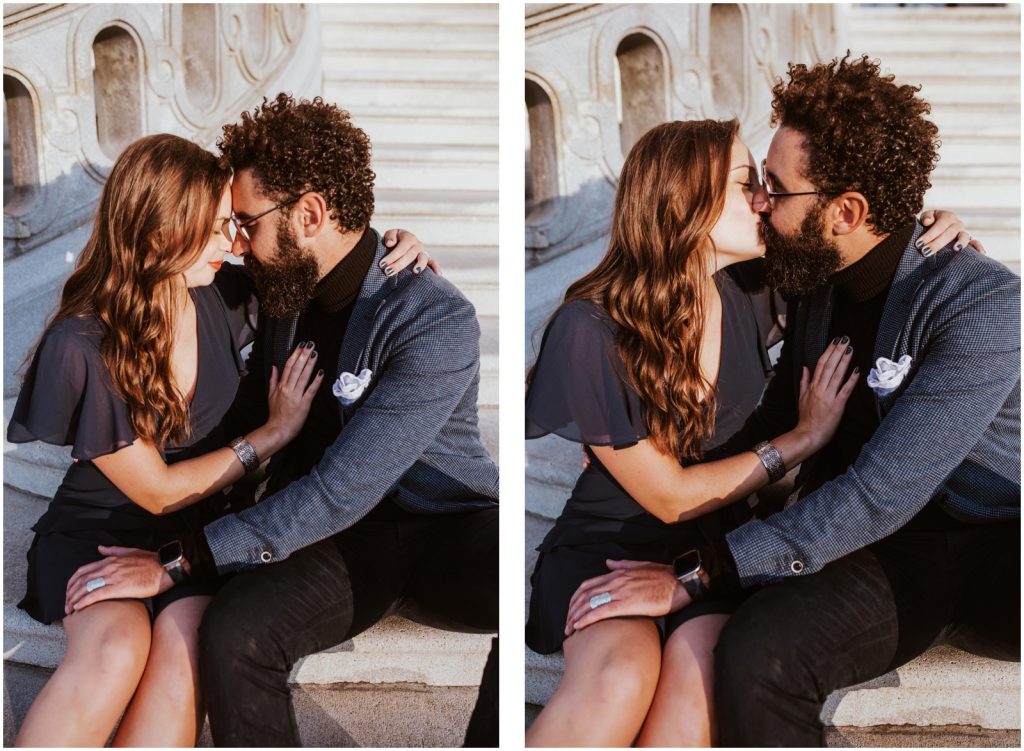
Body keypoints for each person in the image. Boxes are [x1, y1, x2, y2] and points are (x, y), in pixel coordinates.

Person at [566, 54, 1019, 747]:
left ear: (848, 210)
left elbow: (878, 492)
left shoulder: (980, 302)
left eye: (774, 188)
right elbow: (773, 426)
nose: (759, 202)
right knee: (753, 652)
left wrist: (699, 572)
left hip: (988, 545)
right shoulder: (814, 281)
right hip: (874, 549)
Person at [64, 94, 500, 747]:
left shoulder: (433, 318)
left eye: (247, 224)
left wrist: (181, 562)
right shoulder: (278, 289)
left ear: (311, 213)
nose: (237, 244)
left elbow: (340, 489)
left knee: (540, 576)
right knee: (235, 632)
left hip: (448, 528)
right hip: (343, 544)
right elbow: (159, 265)